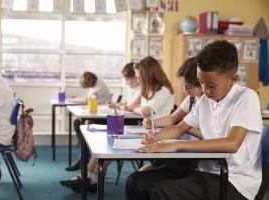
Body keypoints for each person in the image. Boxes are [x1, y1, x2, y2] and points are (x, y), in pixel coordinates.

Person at [126, 40, 262, 200]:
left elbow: (231, 144)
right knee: (136, 181)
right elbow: (180, 127)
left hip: (234, 181)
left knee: (163, 191)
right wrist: (155, 138)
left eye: (211, 85)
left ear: (233, 79)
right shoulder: (204, 101)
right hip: (203, 172)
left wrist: (177, 144)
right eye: (201, 83)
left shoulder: (246, 97)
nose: (205, 90)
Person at [61, 63, 141, 192]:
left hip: (130, 125)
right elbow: (128, 105)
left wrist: (122, 106)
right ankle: (88, 177)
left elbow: (130, 107)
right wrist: (119, 105)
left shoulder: (141, 89)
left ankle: (88, 176)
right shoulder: (134, 89)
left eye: (128, 79)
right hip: (123, 121)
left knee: (103, 139)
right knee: (86, 125)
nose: (126, 82)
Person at [139, 57, 203, 171]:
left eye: (189, 87)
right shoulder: (192, 98)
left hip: (195, 152)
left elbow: (208, 136)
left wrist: (186, 127)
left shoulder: (207, 102)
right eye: (183, 86)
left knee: (146, 171)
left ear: (201, 83)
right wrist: (152, 122)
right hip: (184, 146)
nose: (185, 90)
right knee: (146, 169)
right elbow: (173, 119)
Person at [65, 71, 111, 172]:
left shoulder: (99, 87)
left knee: (84, 124)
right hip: (97, 113)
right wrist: (75, 99)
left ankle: (84, 156)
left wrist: (73, 99)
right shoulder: (96, 84)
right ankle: (84, 154)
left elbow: (87, 100)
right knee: (77, 123)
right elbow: (88, 99)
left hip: (103, 118)